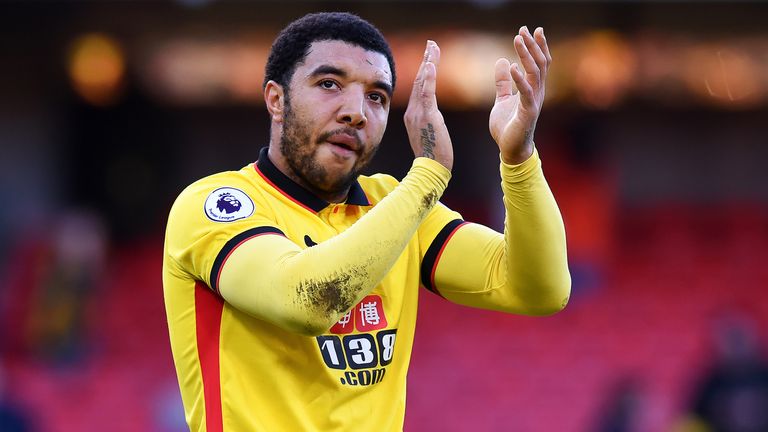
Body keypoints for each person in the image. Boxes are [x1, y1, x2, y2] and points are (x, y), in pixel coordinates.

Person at [163, 11, 570, 431]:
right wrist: (429, 173)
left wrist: (518, 160)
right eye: (329, 85)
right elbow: (308, 301)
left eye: (376, 96)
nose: (356, 112)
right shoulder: (216, 204)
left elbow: (539, 290)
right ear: (276, 99)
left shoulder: (395, 204)